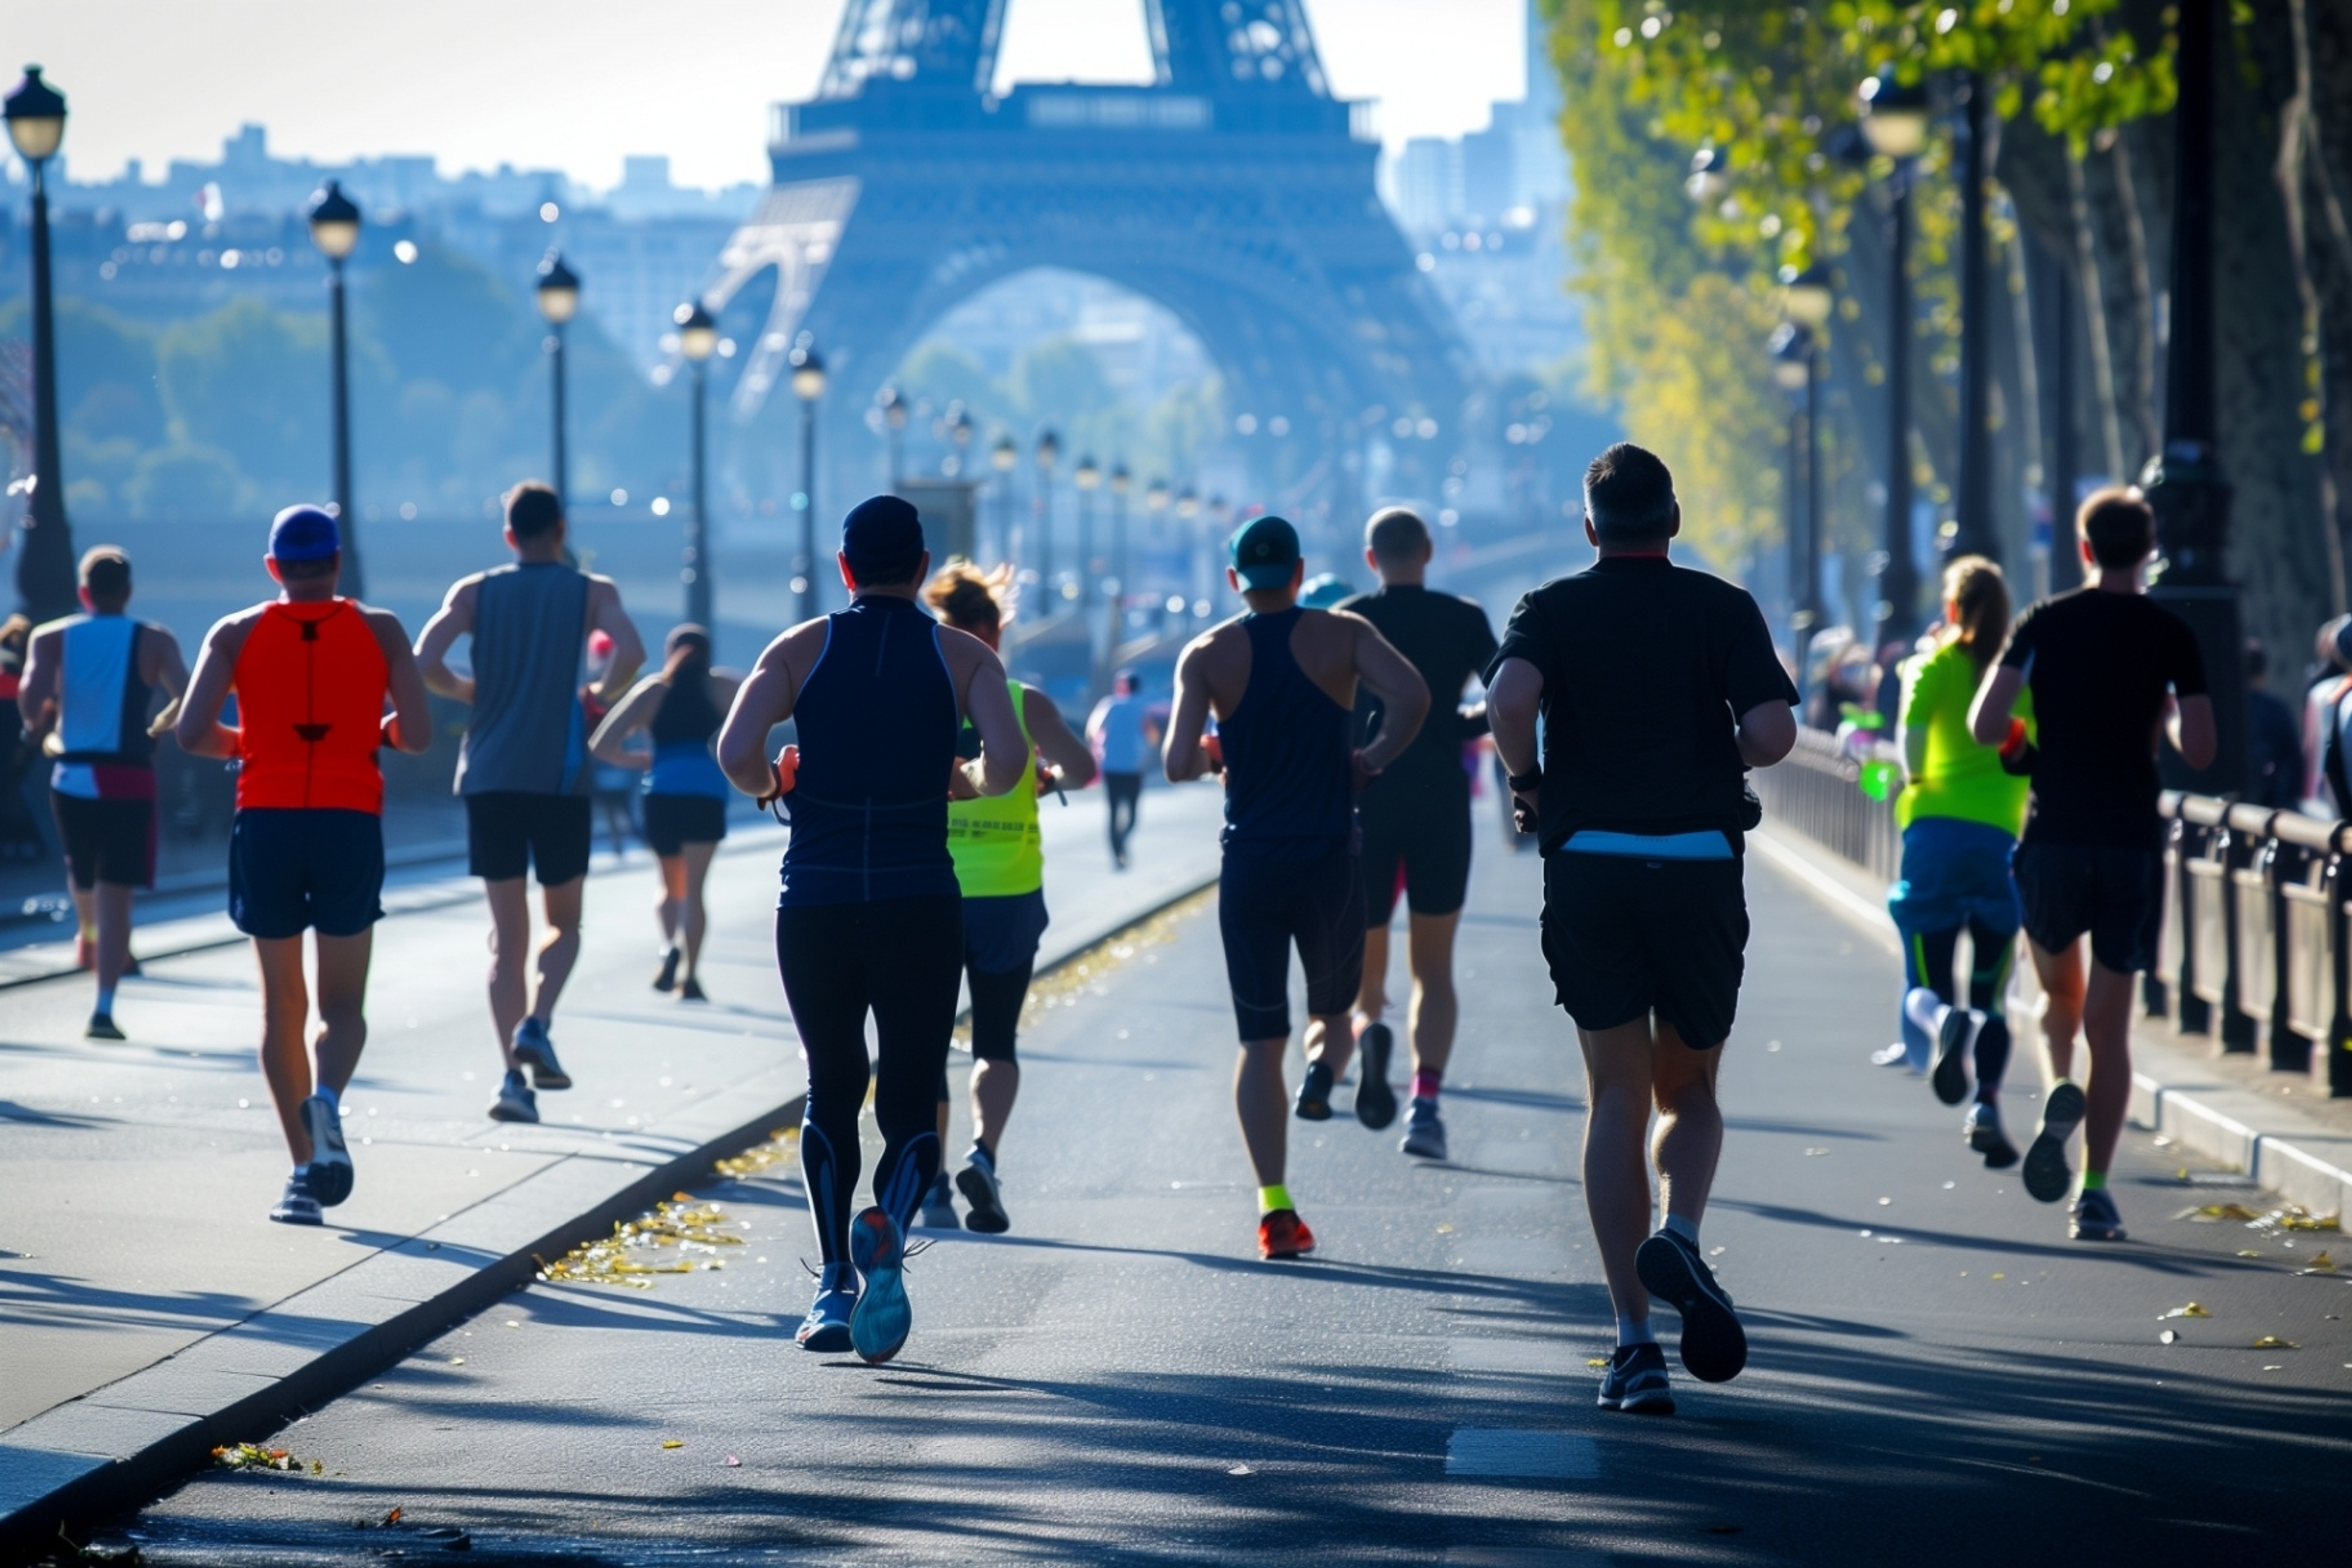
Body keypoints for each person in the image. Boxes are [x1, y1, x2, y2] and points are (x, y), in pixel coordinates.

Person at [1487, 443, 1798, 1416]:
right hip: (1699, 861)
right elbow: (1776, 735)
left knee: (1614, 1094)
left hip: (1591, 865)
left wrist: (1530, 782)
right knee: (1692, 1086)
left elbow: (1508, 702)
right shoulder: (1721, 606)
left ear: (1590, 527)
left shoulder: (1551, 607)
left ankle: (1631, 1346)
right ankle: (1684, 1232)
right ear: (1673, 521)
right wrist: (1724, 748)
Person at [717, 496, 1027, 1365]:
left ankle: (831, 1285)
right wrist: (955, 780)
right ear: (922, 568)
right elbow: (1006, 768)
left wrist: (773, 779)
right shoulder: (961, 654)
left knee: (831, 1084)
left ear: (844, 568)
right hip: (918, 897)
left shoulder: (798, 649)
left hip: (814, 900)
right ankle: (886, 1223)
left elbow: (733, 751)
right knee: (913, 1083)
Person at [1163, 515, 1429, 1261]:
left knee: (1257, 1040)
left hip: (1250, 861)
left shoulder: (1207, 653)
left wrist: (1221, 747)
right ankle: (1330, 1065)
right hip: (1327, 856)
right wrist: (1369, 757)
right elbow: (1414, 697)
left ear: (1233, 580)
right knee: (1334, 1011)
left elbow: (1177, 762)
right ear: (1300, 569)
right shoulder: (1342, 635)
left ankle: (1275, 1209)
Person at [174, 506, 432, 1224]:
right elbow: (417, 735)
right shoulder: (381, 630)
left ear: (273, 568)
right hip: (350, 823)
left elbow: (191, 734)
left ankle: (301, 1173)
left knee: (280, 1003)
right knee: (341, 1006)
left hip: (267, 821)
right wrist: (373, 730)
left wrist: (247, 744)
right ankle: (328, 1100)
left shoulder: (234, 633)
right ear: (338, 563)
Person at [1969, 485, 2214, 1242]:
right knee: (2113, 1025)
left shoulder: (2045, 622)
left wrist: (2027, 749)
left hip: (2054, 836)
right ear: (2149, 550)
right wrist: (2166, 712)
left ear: (2082, 548)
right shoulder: (2172, 633)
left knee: (2057, 1006)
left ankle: (2056, 1088)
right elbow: (2202, 752)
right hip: (2132, 840)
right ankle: (2096, 1190)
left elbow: (1986, 725)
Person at [415, 481, 645, 1125]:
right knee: (563, 924)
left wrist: (469, 691)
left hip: (489, 777)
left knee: (505, 937)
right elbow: (633, 651)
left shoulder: (475, 592)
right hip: (558, 777)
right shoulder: (590, 592)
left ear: (509, 536)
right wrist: (596, 688)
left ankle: (511, 1082)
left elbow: (423, 658)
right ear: (563, 531)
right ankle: (538, 1022)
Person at [916, 562, 1098, 1234]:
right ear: (994, 630)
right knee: (997, 1040)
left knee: (926, 1044)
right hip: (1010, 895)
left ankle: (931, 1181)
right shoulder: (1024, 702)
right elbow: (1084, 768)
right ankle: (983, 1155)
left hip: (931, 889)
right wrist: (1043, 778)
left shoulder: (919, 698)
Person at [1338, 507, 1498, 1162]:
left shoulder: (1346, 620)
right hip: (1440, 801)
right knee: (1434, 966)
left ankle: (1370, 1028)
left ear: (1370, 557)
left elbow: (1326, 708)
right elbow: (1508, 692)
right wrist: (1456, 726)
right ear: (1428, 551)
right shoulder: (1463, 618)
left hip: (1365, 798)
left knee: (1365, 962)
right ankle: (1425, 1103)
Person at [1879, 557, 2034, 1169]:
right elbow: (2030, 754)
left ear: (1951, 608)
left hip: (1935, 837)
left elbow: (1910, 747)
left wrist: (1921, 780)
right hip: (2000, 844)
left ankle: (1942, 1020)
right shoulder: (2022, 678)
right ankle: (1988, 1104)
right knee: (1992, 994)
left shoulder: (1932, 666)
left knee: (1926, 981)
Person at [16, 547, 187, 1039]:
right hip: (129, 776)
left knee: (81, 869)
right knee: (118, 892)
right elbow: (189, 694)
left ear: (83, 592)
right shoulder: (154, 639)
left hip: (70, 774)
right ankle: (104, 1005)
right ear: (128, 592)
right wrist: (156, 730)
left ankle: (86, 933)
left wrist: (37, 725)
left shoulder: (52, 638)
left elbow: (31, 694)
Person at [587, 625, 741, 1002]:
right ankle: (690, 975)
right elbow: (769, 715)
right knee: (696, 892)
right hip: (706, 789)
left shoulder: (654, 690)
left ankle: (670, 944)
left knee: (669, 885)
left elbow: (601, 744)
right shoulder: (723, 687)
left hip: (663, 792)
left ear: (670, 650)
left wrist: (643, 760)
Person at [1085, 669, 1156, 869]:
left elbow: (1092, 731)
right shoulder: (1143, 708)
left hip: (1112, 767)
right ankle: (1122, 841)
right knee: (1132, 814)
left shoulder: (1109, 705)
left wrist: (1099, 751)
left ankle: (1117, 853)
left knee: (1114, 812)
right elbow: (1152, 737)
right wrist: (1147, 754)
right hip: (1134, 767)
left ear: (1122, 686)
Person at [583, 630, 642, 859]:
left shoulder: (595, 682)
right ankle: (627, 832)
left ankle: (623, 833)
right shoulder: (625, 681)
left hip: (607, 747)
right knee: (618, 798)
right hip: (611, 746)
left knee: (614, 799)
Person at [2242, 639, 2303, 812]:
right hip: (2274, 805)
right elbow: (2294, 759)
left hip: (2235, 804)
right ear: (2263, 672)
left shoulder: (2226, 711)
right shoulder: (2276, 709)